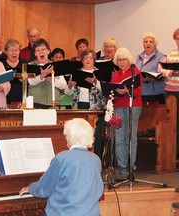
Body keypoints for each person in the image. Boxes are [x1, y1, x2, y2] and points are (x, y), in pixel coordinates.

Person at [19, 118, 104, 216]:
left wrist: (30, 188)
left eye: (66, 135)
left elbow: (44, 190)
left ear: (71, 137)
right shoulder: (96, 159)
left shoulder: (61, 158)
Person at [65, 48, 106, 157]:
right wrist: (70, 85)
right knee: (79, 132)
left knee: (95, 134)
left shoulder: (99, 73)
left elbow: (105, 90)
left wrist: (95, 82)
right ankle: (80, 156)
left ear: (94, 60)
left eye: (91, 58)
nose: (88, 60)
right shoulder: (76, 73)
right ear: (82, 60)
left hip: (96, 107)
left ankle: (96, 158)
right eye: (86, 58)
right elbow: (67, 92)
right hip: (79, 105)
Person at [112, 47, 142, 175]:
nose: (122, 62)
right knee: (119, 136)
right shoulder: (116, 74)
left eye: (124, 59)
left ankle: (131, 164)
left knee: (131, 136)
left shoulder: (136, 72)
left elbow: (139, 91)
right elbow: (111, 92)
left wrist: (127, 91)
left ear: (129, 60)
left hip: (133, 106)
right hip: (119, 105)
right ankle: (121, 165)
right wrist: (117, 92)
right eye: (119, 60)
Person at [27, 38, 67, 109]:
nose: (41, 52)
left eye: (43, 49)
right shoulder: (31, 65)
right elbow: (30, 81)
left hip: (54, 103)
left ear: (48, 51)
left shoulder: (56, 65)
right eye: (38, 50)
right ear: (35, 53)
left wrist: (53, 81)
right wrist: (42, 76)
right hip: (36, 103)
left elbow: (63, 85)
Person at [161, 27, 179, 159]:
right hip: (170, 92)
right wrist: (172, 72)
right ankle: (174, 152)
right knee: (172, 123)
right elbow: (163, 72)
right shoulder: (171, 54)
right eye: (177, 39)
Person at [135, 32, 166, 105]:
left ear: (155, 45)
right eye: (146, 42)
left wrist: (147, 77)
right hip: (140, 94)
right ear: (143, 45)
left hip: (155, 95)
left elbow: (162, 75)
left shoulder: (162, 57)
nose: (148, 43)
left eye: (151, 42)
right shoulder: (138, 57)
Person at [1, 39, 27, 105]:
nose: (14, 53)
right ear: (6, 52)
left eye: (16, 50)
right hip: (5, 96)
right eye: (11, 51)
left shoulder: (25, 64)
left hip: (22, 96)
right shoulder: (1, 65)